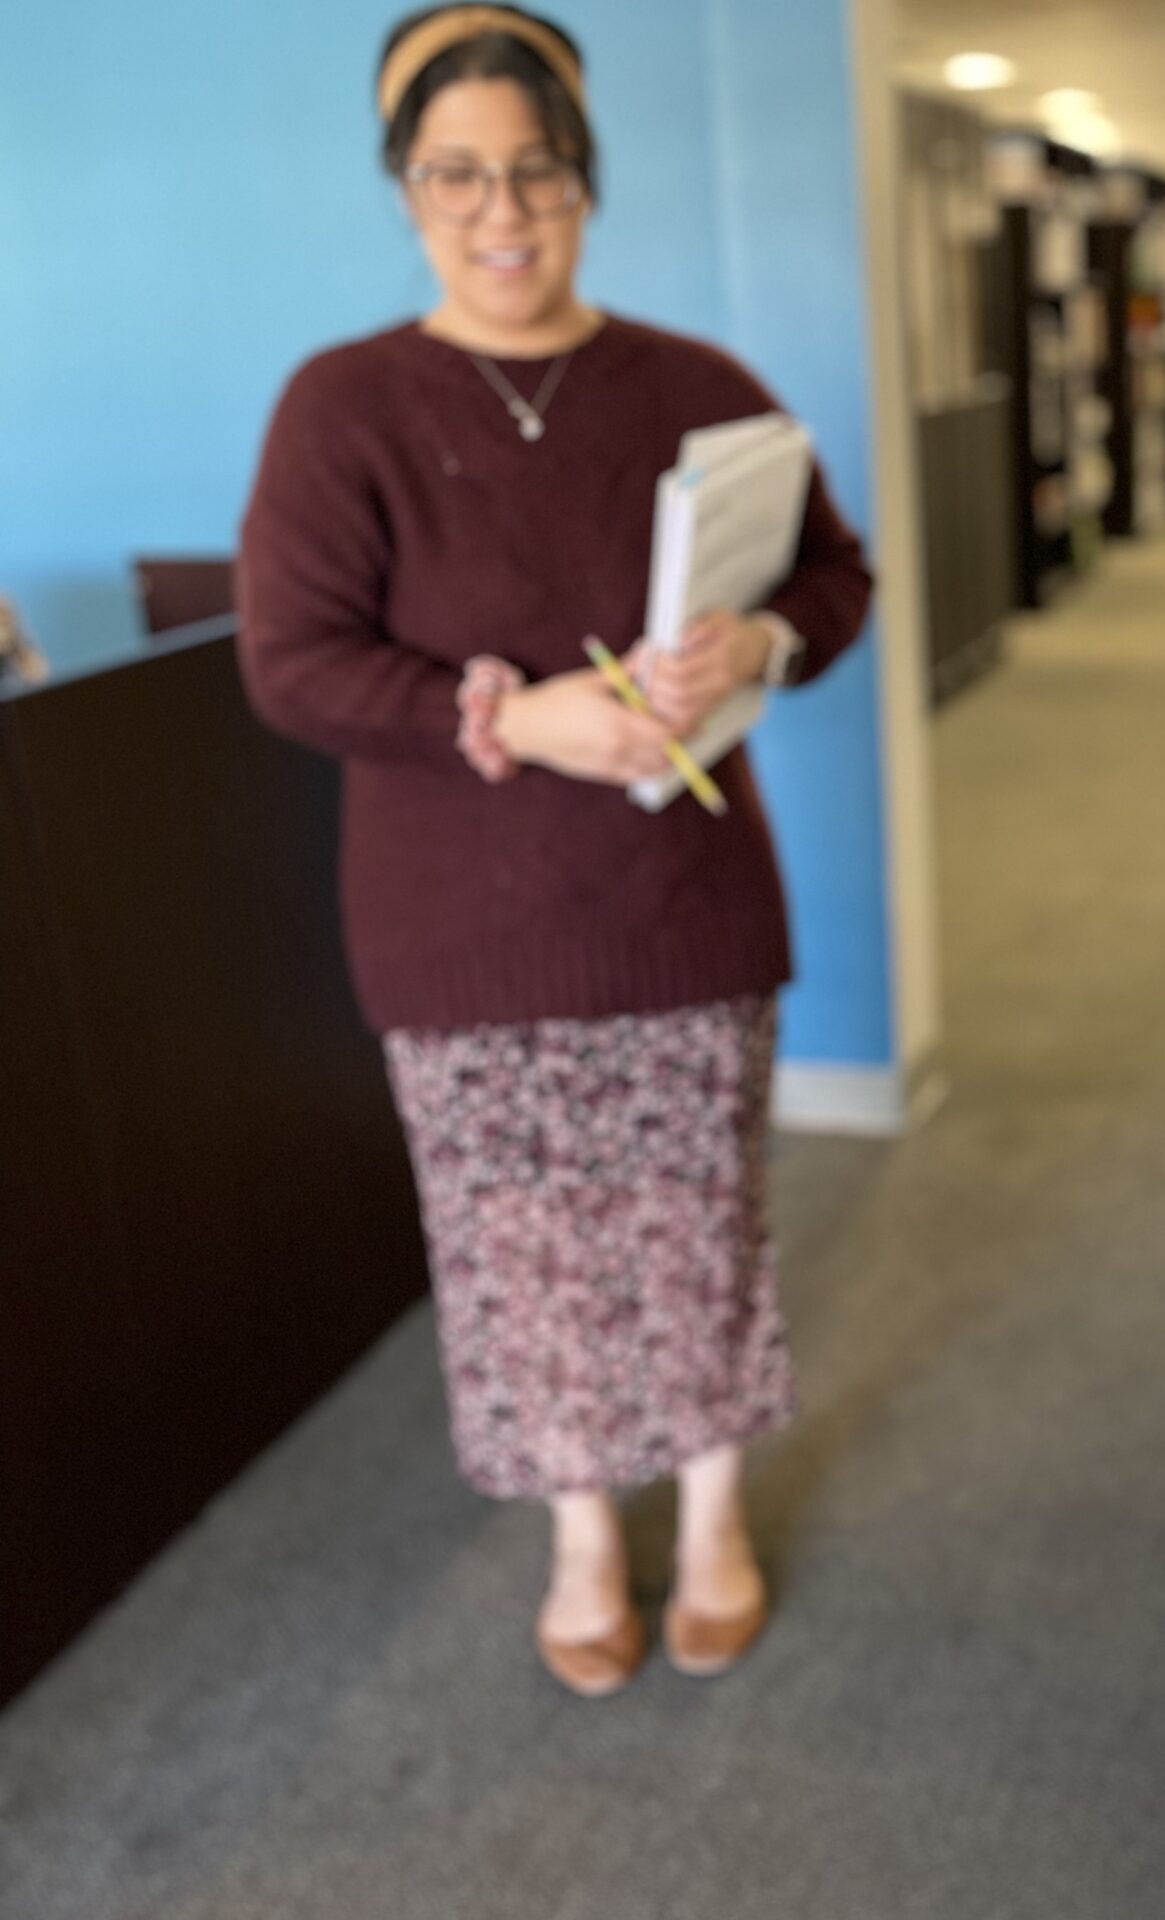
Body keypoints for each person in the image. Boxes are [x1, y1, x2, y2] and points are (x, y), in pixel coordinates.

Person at [237, 4, 872, 1697]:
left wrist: (753, 648)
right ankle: (587, 1537)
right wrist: (515, 720)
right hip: (461, 933)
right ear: (404, 190)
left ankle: (715, 1516)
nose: (498, 208)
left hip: (684, 912)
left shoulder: (698, 384)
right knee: (521, 1259)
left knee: (699, 1228)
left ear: (585, 183)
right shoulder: (347, 404)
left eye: (533, 170)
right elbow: (289, 661)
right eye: (454, 173)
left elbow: (834, 577)